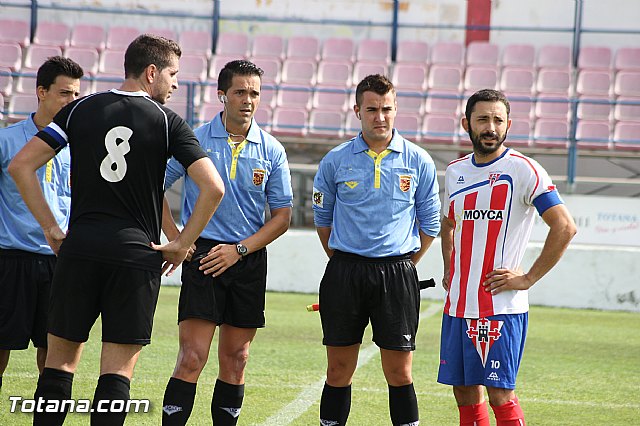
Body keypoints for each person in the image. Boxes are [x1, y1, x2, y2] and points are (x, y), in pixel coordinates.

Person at [8, 34, 225, 426]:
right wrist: (181, 244)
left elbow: (20, 166)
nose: (176, 84)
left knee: (57, 368)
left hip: (80, 249)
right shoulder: (166, 122)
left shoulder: (80, 109)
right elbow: (214, 187)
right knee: (116, 376)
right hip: (135, 258)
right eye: (173, 74)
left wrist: (52, 230)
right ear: (152, 72)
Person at [161, 59, 292, 426]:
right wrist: (179, 240)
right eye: (239, 92)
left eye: (254, 93)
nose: (247, 100)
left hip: (246, 259)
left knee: (236, 360)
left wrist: (239, 251)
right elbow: (154, 187)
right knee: (192, 357)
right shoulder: (195, 140)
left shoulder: (271, 149)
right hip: (202, 257)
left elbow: (282, 217)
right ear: (222, 95)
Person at [437, 89, 577, 426]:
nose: (490, 127)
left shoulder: (524, 170)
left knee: (500, 394)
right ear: (466, 123)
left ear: (508, 125)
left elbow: (565, 227)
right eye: (483, 119)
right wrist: (449, 269)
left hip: (500, 307)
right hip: (458, 305)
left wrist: (527, 278)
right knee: (464, 391)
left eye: (498, 120)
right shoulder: (455, 172)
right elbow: (448, 224)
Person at [312, 74, 441, 426]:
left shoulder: (419, 161)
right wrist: (342, 260)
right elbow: (323, 221)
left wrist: (404, 264)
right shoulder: (335, 161)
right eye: (371, 109)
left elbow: (430, 225)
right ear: (357, 111)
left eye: (386, 109)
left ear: (396, 109)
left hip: (397, 274)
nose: (379, 117)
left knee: (399, 372)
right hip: (345, 273)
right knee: (338, 370)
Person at [0, 56, 83, 391]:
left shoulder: (81, 147)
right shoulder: (6, 141)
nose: (72, 102)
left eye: (76, 95)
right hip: (11, 261)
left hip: (60, 262)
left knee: (53, 353)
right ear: (41, 92)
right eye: (64, 94)